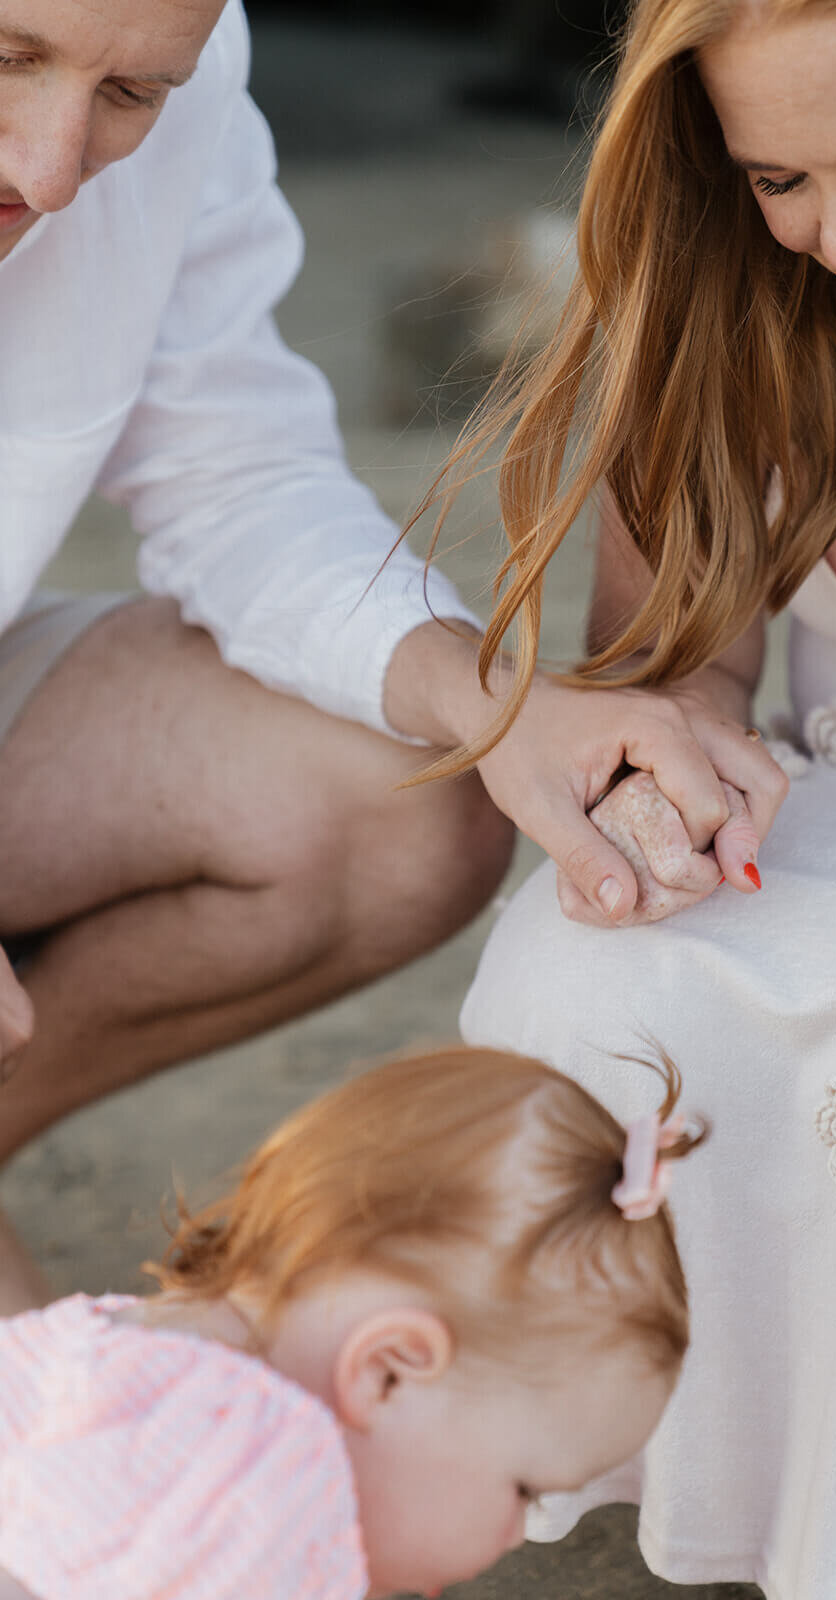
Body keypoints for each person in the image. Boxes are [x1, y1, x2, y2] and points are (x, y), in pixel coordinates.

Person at [439, 1, 836, 1596]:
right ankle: (750, 1455)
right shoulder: (748, 306)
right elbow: (679, 665)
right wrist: (668, 769)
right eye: (776, 174)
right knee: (566, 979)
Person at [0, 0, 754, 1314]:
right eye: (6, 59)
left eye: (132, 96)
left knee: (395, 792)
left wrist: (495, 705)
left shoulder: (179, 55)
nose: (52, 170)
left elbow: (229, 469)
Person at [0, 1043, 704, 1599]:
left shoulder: (92, 1342)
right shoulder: (261, 1488)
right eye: (524, 1490)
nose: (518, 1534)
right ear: (388, 1371)